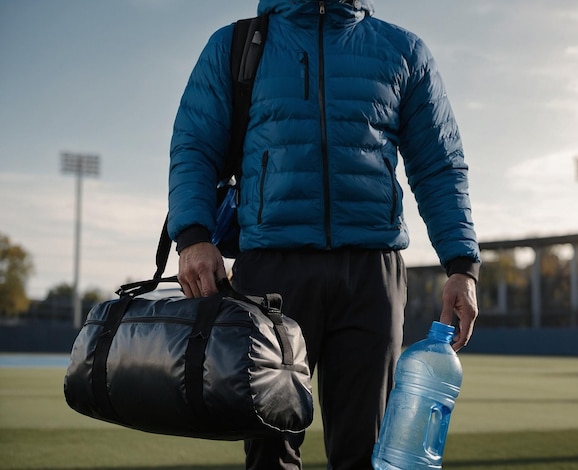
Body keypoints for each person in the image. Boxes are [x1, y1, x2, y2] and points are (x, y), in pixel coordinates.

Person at [168, 1, 480, 468]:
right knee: (269, 450)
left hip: (372, 273)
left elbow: (440, 165)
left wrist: (461, 266)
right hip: (272, 273)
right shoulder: (235, 46)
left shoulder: (403, 50)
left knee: (364, 453)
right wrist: (193, 235)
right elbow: (193, 145)